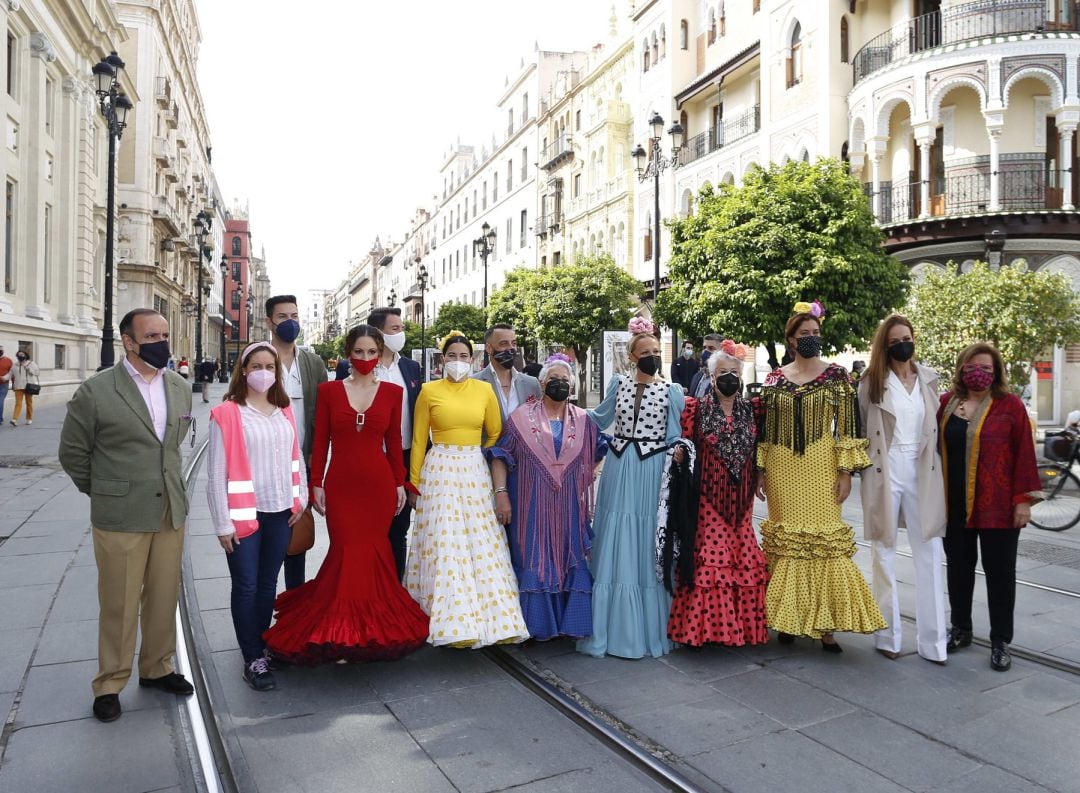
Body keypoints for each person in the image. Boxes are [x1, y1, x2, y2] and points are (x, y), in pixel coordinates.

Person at [58, 309, 194, 723]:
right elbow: (73, 453)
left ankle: (157, 668)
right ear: (128, 342)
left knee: (163, 595)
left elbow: (174, 443)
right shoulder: (97, 391)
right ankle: (110, 683)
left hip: (169, 509)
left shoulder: (179, 386)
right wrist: (104, 490)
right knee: (119, 601)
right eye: (152, 335)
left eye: (165, 334)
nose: (162, 342)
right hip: (120, 514)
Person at [264, 325, 429, 663]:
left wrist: (399, 483)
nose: (366, 359)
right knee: (345, 550)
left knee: (372, 552)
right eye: (359, 352)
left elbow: (394, 444)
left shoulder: (392, 394)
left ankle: (363, 626)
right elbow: (320, 441)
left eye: (372, 352)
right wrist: (316, 485)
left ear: (380, 353)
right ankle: (341, 624)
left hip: (378, 486)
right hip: (340, 485)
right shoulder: (329, 391)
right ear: (348, 354)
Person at [756, 301, 885, 652]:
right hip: (782, 469)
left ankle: (826, 625)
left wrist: (845, 472)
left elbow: (847, 428)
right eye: (804, 334)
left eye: (816, 333)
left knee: (824, 541)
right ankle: (787, 619)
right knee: (787, 542)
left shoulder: (837, 376)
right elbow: (766, 431)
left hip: (820, 466)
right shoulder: (774, 379)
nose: (812, 338)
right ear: (791, 340)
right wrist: (761, 471)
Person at [406, 330, 529, 648]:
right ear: (441, 359)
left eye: (463, 357)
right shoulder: (429, 391)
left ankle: (491, 618)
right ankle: (450, 621)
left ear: (472, 359)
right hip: (440, 471)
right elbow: (420, 440)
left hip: (474, 470)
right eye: (452, 356)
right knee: (446, 542)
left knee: (481, 542)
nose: (458, 362)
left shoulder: (483, 390)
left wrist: (475, 456)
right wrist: (414, 483)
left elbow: (495, 434)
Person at [578, 317, 685, 659]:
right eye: (646, 351)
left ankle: (646, 627)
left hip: (652, 469)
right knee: (614, 534)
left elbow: (674, 436)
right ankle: (607, 627)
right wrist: (560, 414)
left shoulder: (672, 391)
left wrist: (680, 456)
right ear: (633, 356)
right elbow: (597, 418)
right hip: (619, 466)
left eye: (657, 350)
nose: (653, 355)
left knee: (646, 535)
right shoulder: (618, 384)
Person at [208, 342, 307, 691]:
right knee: (246, 585)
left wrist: (301, 498)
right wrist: (222, 523)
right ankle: (251, 656)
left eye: (270, 365)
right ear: (244, 370)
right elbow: (216, 472)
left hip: (281, 511)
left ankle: (261, 643)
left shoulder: (283, 411)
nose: (264, 372)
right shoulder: (228, 413)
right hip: (243, 517)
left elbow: (296, 457)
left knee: (267, 584)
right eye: (256, 365)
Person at [937, 342, 1040, 672]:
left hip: (998, 505)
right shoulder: (946, 404)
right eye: (971, 367)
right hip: (953, 506)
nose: (978, 373)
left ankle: (1000, 641)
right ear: (960, 369)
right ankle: (961, 629)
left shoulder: (1009, 406)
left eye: (985, 368)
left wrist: (1023, 500)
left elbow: (1024, 452)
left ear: (996, 373)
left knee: (1000, 574)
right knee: (958, 569)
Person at [489, 354, 605, 640]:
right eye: (554, 379)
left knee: (571, 555)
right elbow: (501, 457)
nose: (560, 384)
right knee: (534, 557)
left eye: (565, 380)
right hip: (530, 503)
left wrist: (582, 479)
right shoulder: (520, 418)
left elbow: (600, 451)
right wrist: (501, 494)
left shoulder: (583, 420)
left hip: (567, 505)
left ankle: (570, 623)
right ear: (542, 384)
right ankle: (537, 625)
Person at [668, 340, 769, 648]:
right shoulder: (694, 409)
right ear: (711, 378)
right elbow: (682, 445)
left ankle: (739, 628)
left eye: (734, 372)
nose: (729, 378)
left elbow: (762, 448)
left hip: (742, 498)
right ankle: (706, 630)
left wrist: (762, 476)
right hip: (708, 496)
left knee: (742, 557)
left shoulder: (754, 410)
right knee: (713, 561)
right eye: (723, 372)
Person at [859, 315, 947, 664]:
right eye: (895, 340)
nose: (902, 345)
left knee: (930, 552)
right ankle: (888, 636)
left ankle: (934, 643)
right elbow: (864, 429)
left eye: (906, 338)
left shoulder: (929, 379)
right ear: (885, 345)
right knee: (884, 552)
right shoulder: (871, 383)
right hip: (885, 467)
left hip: (922, 469)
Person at [265, 295, 328, 590]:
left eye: (294, 315)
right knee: (268, 546)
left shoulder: (312, 362)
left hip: (301, 463)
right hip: (266, 467)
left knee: (297, 542)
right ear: (269, 322)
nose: (290, 322)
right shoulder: (258, 360)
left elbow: (324, 413)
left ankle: (294, 606)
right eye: (282, 317)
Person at [368, 306, 423, 580]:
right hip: (371, 460)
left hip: (402, 458)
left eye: (401, 328)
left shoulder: (411, 368)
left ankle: (394, 588)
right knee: (371, 529)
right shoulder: (361, 366)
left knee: (399, 529)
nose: (401, 333)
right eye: (395, 329)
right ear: (378, 333)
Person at [473, 323, 541, 424]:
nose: (511, 348)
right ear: (489, 348)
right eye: (504, 344)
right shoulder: (473, 383)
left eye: (514, 343)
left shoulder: (532, 384)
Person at [11, 349, 40, 426]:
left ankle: (29, 418)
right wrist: (3, 377)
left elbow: (37, 372)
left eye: (22, 354)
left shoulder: (31, 363)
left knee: (29, 403)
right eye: (19, 354)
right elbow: (10, 374)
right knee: (18, 403)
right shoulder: (15, 365)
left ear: (26, 355)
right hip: (18, 386)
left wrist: (28, 368)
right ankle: (14, 419)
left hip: (28, 386)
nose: (20, 356)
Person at [0, 345, 12, 425]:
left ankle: (0, 418)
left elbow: (12, 373)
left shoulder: (8, 360)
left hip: (3, 384)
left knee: (0, 401)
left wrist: (14, 384)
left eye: (1, 349)